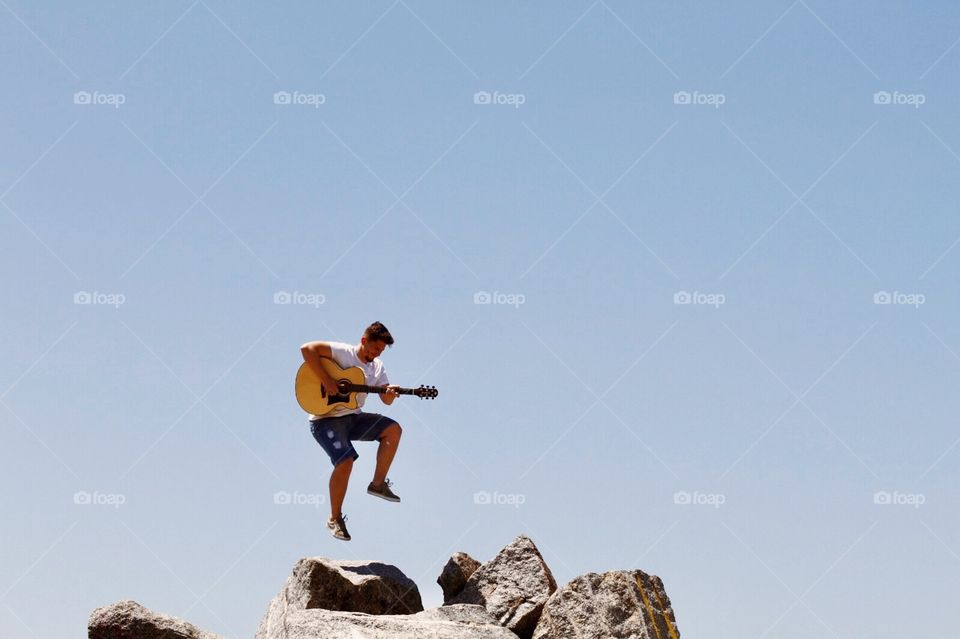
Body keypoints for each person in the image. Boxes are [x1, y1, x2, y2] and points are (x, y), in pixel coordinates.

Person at [299, 321, 403, 541]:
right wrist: (327, 381)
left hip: (353, 418)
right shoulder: (342, 352)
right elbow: (306, 349)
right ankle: (334, 518)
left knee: (393, 430)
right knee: (345, 462)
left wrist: (390, 394)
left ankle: (377, 485)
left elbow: (386, 400)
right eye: (375, 348)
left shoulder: (377, 367)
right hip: (325, 420)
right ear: (364, 340)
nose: (377, 354)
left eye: (381, 351)